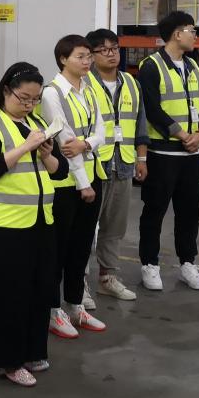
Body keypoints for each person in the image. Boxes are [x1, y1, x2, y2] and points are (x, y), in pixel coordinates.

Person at [0, 63, 69, 386]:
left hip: (40, 222)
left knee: (40, 290)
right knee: (8, 296)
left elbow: (60, 171)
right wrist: (26, 146)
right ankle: (8, 360)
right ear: (6, 91)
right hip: (2, 226)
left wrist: (46, 154)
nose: (29, 105)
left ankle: (33, 351)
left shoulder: (38, 123)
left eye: (35, 99)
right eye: (23, 98)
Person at [137, 11, 199, 292]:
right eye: (192, 30)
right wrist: (181, 134)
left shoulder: (193, 65)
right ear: (177, 34)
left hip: (193, 154)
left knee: (191, 210)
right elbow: (151, 108)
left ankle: (188, 263)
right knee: (155, 210)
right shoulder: (151, 66)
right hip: (163, 154)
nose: (195, 36)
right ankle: (149, 264)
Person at [39, 34, 108, 338]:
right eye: (81, 56)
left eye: (88, 56)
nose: (87, 61)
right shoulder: (52, 93)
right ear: (63, 59)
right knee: (59, 249)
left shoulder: (89, 89)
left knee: (82, 248)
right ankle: (53, 310)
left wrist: (87, 143)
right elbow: (65, 141)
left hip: (93, 176)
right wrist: (83, 183)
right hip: (68, 184)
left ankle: (76, 305)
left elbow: (101, 131)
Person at [85, 28, 148, 302]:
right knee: (86, 228)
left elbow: (141, 123)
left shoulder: (131, 83)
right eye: (104, 50)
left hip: (123, 164)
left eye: (115, 48)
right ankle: (78, 283)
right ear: (92, 55)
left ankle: (107, 278)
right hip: (94, 165)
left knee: (114, 228)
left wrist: (141, 158)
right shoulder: (84, 83)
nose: (111, 54)